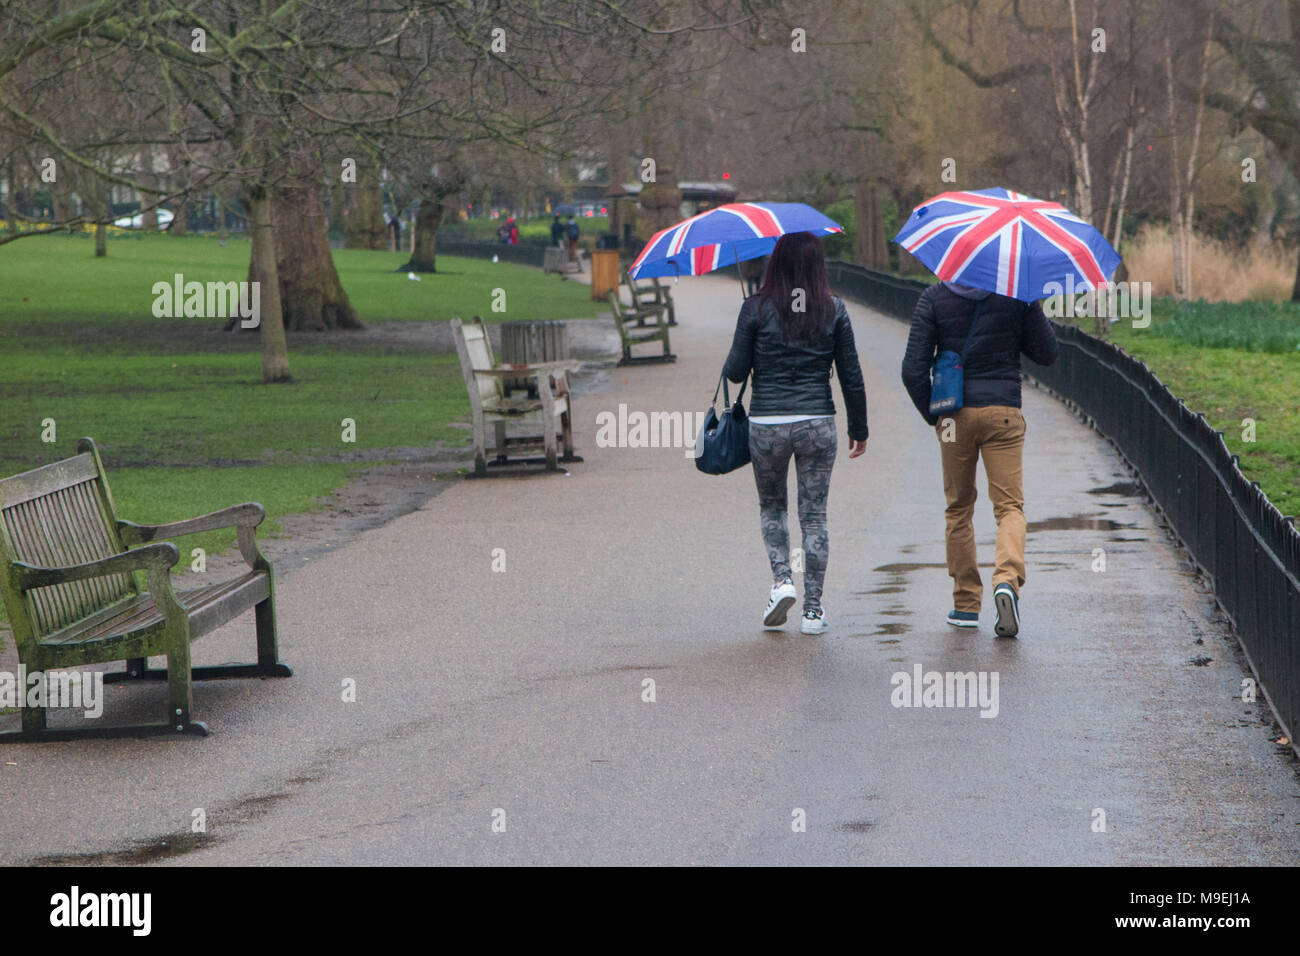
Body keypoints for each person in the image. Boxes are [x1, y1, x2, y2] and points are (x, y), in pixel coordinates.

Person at [724, 232, 868, 635]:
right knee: (814, 516)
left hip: (767, 424)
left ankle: (782, 581)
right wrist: (859, 427)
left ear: (776, 264)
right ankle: (813, 611)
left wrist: (748, 329)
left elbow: (735, 372)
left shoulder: (754, 308)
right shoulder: (834, 310)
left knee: (773, 509)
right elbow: (851, 375)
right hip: (817, 423)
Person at [900, 281, 1059, 637]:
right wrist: (1029, 304)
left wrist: (936, 417)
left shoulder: (934, 297)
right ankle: (1006, 580)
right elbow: (1047, 353)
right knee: (1009, 508)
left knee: (959, 508)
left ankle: (966, 604)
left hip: (954, 415)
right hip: (1003, 412)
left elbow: (912, 370)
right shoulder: (1017, 292)